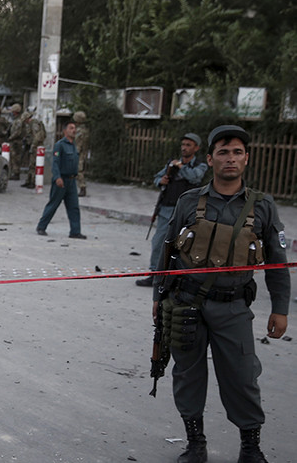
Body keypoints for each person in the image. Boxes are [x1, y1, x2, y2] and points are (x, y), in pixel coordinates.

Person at [153, 125, 289, 463]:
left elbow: (277, 261)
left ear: (246, 159)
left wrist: (280, 308)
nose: (230, 158)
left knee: (243, 377)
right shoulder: (188, 201)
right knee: (187, 375)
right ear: (210, 159)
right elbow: (167, 252)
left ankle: (250, 447)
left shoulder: (263, 206)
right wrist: (158, 297)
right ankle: (195, 444)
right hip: (186, 304)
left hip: (234, 307)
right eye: (224, 152)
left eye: (237, 152)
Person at [136, 133, 207, 287]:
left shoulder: (199, 165)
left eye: (188, 145)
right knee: (159, 241)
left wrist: (181, 167)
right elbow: (157, 178)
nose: (184, 148)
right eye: (183, 144)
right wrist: (161, 181)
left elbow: (195, 178)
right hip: (167, 208)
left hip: (188, 210)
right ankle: (155, 274)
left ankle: (179, 276)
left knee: (185, 243)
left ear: (196, 148)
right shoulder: (171, 164)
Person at [36, 121, 86, 239]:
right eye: (71, 128)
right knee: (53, 204)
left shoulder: (73, 145)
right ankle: (41, 226)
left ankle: (75, 231)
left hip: (71, 181)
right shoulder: (60, 145)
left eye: (75, 128)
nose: (74, 130)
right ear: (65, 131)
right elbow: (55, 163)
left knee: (74, 207)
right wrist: (57, 177)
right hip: (61, 180)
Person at [23, 113, 47, 188]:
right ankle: (29, 180)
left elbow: (37, 136)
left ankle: (33, 181)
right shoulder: (32, 123)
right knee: (30, 164)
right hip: (33, 145)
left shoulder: (34, 124)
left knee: (33, 164)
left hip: (36, 146)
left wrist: (33, 145)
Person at [7, 104, 27, 180]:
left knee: (16, 158)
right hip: (14, 141)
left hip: (17, 141)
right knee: (12, 157)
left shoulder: (19, 120)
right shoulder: (14, 120)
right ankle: (13, 172)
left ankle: (16, 173)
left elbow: (17, 132)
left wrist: (10, 138)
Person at [73, 111, 90, 196]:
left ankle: (83, 187)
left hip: (79, 152)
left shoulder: (80, 131)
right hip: (81, 151)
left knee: (79, 170)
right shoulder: (84, 129)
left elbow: (79, 143)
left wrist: (75, 152)